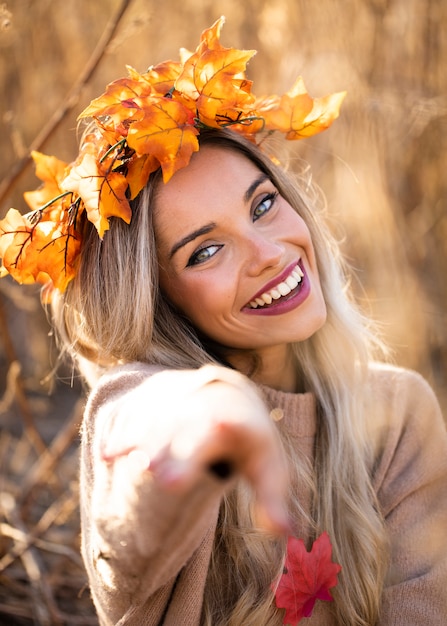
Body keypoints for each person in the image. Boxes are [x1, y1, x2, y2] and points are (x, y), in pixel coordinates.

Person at [1, 17, 446, 626]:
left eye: (263, 204)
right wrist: (216, 412)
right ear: (158, 304)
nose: (268, 252)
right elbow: (141, 444)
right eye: (205, 251)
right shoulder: (132, 408)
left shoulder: (397, 414)